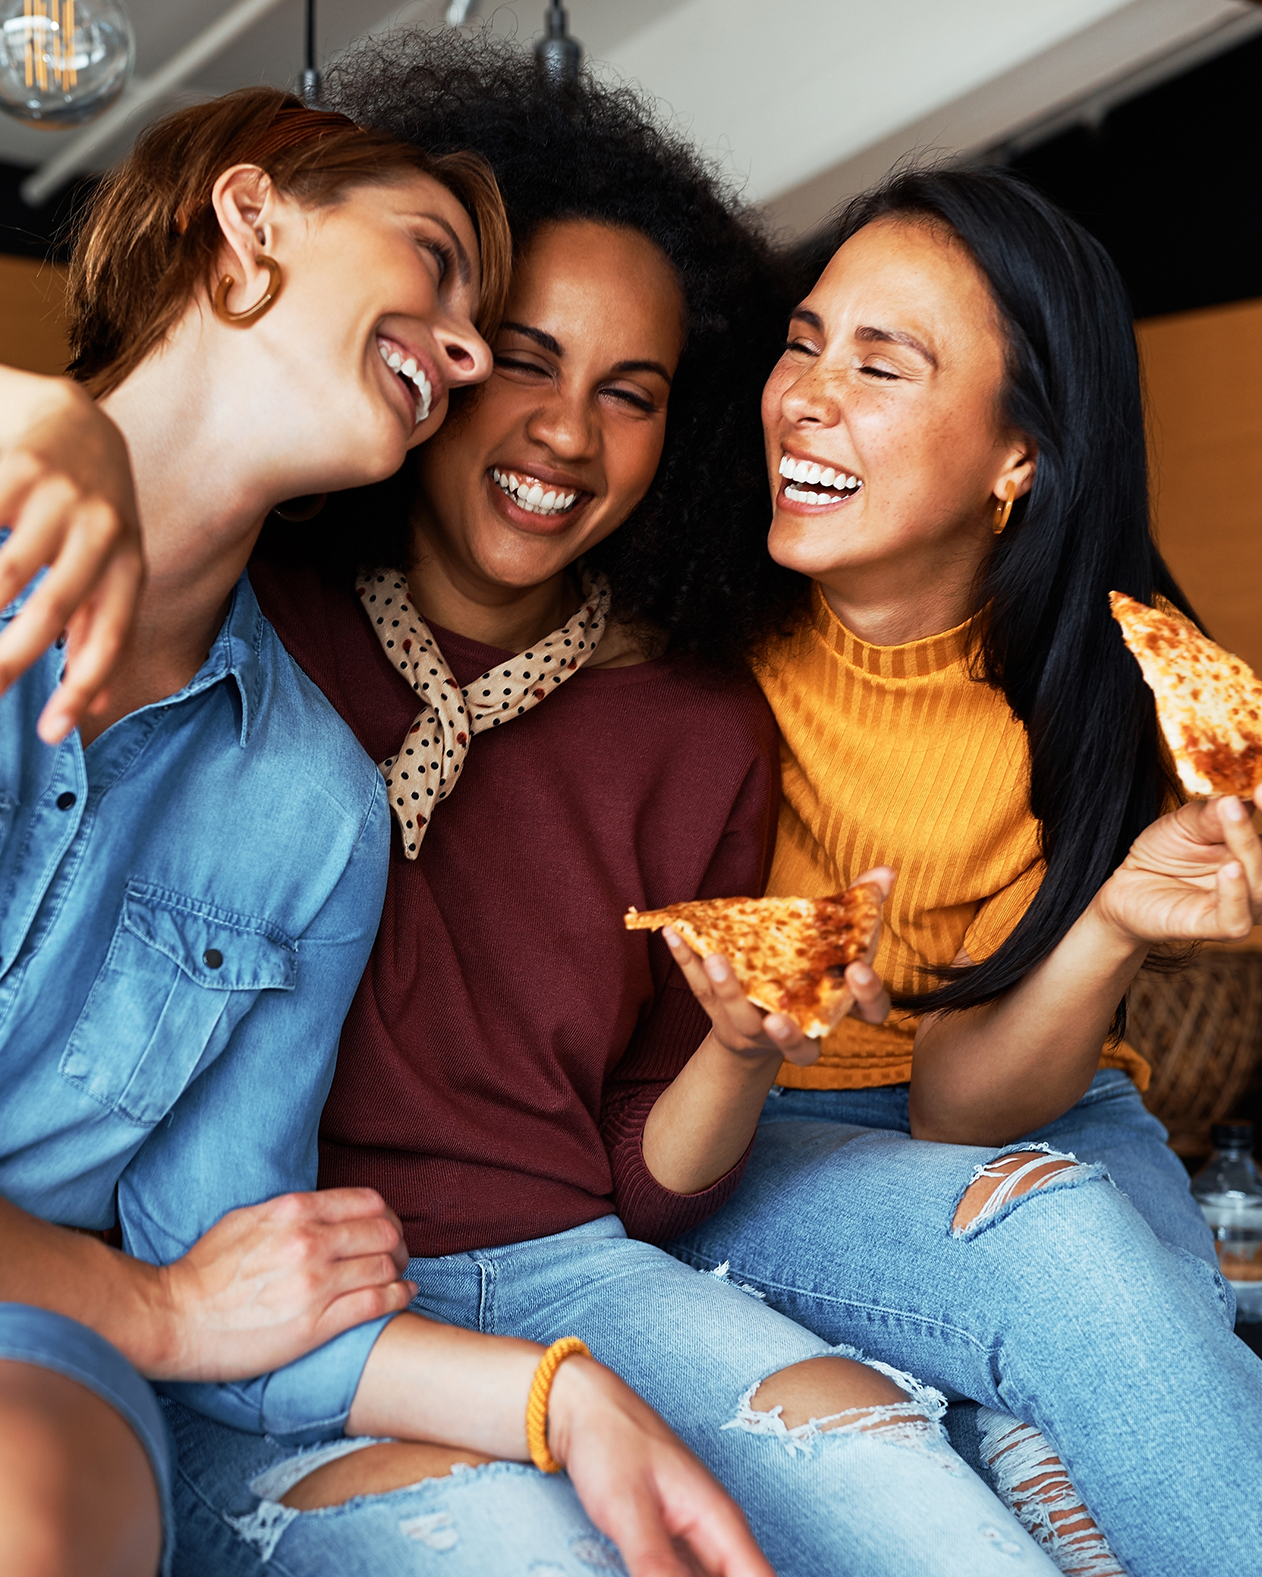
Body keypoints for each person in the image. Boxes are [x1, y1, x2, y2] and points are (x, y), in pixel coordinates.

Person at [160, 33, 1064, 1577]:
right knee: (526, 1547)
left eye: (630, 394)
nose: (567, 435)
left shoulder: (697, 727)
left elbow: (647, 1180)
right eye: (523, 358)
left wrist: (736, 1046)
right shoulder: (246, 622)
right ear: (434, 357)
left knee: (926, 1513)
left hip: (573, 1273)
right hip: (278, 1306)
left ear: (682, 435)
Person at [0, 86, 770, 1577]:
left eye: (630, 387)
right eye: (433, 261)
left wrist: (565, 1399)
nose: (471, 354)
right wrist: (43, 415)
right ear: (248, 222)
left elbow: (238, 1295)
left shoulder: (309, 804)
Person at [660, 165, 1262, 1577]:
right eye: (803, 340)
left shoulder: (1111, 697)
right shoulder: (674, 626)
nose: (805, 393)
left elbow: (957, 1103)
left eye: (882, 363)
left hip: (1027, 1096)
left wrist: (1113, 917)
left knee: (1157, 1316)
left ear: (1019, 460)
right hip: (753, 1126)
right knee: (1076, 1291)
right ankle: (1013, 1439)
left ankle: (1014, 1441)